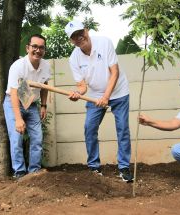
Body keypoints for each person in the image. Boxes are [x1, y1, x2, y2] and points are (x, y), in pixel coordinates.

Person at [64, 20, 133, 182]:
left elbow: (114, 72)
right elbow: (82, 86)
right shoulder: (74, 59)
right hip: (95, 95)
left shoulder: (104, 43)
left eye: (81, 33)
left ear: (87, 30)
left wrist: (106, 97)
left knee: (122, 128)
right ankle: (94, 167)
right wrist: (77, 94)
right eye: (74, 37)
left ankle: (124, 167)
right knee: (89, 128)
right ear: (71, 41)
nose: (79, 37)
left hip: (118, 92)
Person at [3, 34, 51, 179]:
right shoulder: (18, 66)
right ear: (28, 48)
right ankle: (20, 174)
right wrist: (18, 119)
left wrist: (43, 105)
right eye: (34, 47)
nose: (38, 50)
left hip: (31, 104)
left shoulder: (45, 66)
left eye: (41, 47)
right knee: (16, 138)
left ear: (44, 50)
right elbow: (13, 92)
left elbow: (44, 86)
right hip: (14, 103)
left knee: (37, 138)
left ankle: (34, 173)